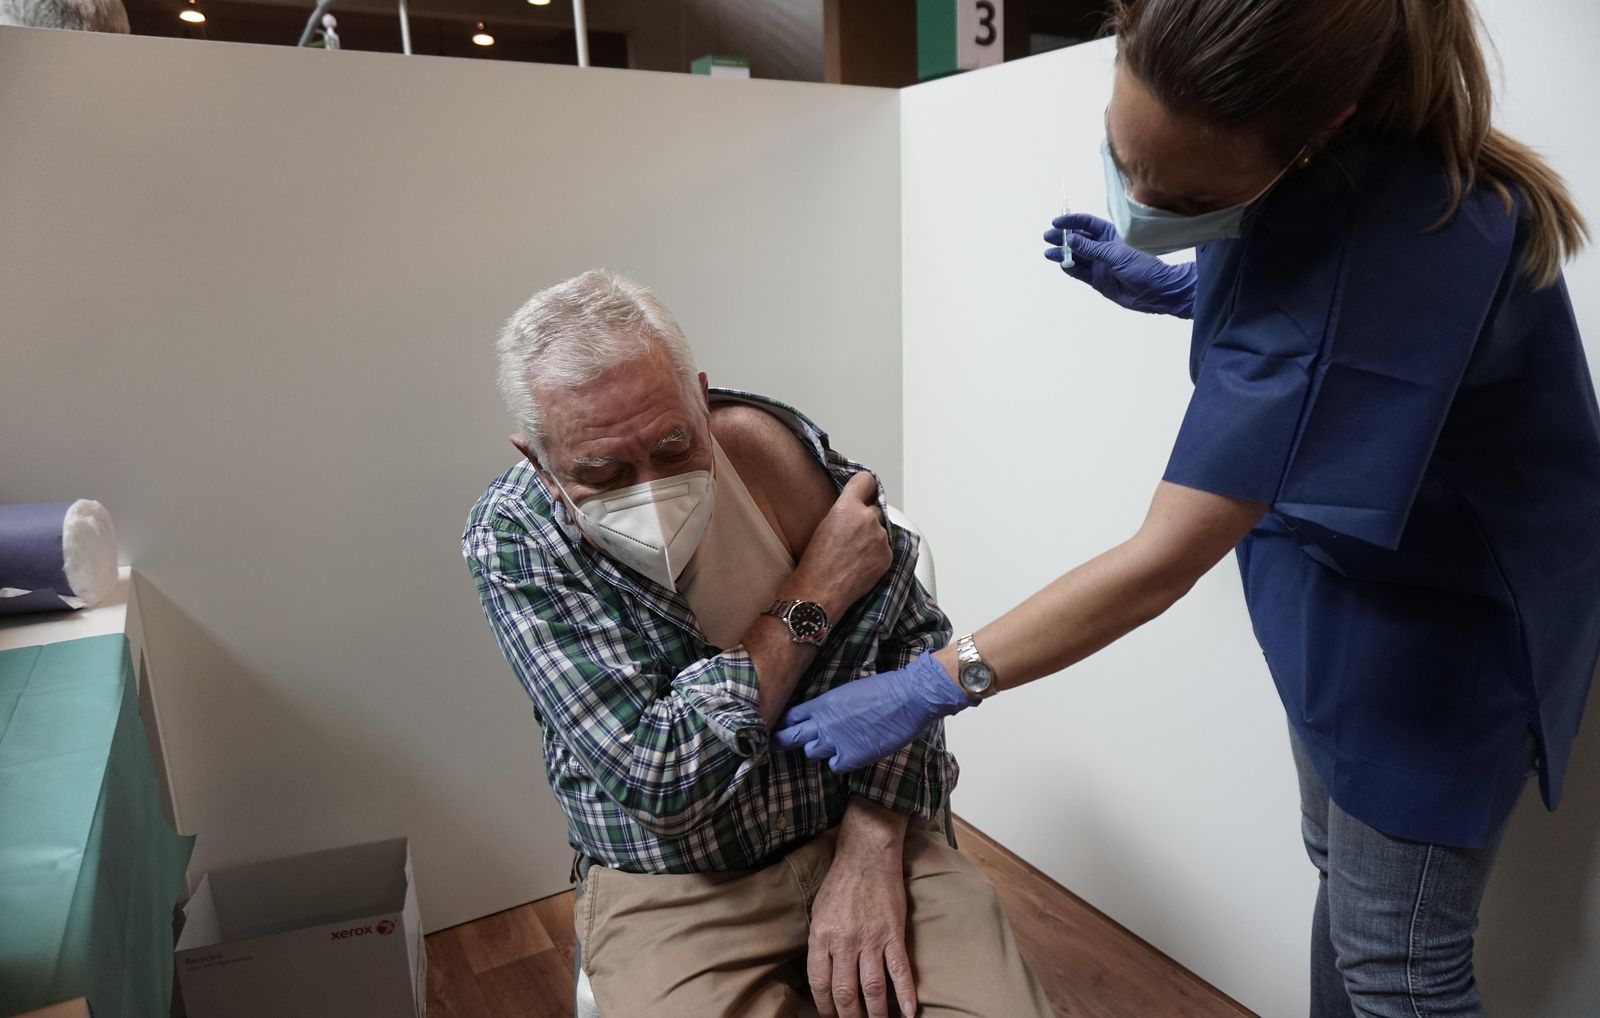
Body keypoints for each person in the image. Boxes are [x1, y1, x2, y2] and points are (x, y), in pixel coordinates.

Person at [774, 2, 1600, 1016]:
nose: (1144, 197)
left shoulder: (1406, 226)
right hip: (1335, 589)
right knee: (1341, 878)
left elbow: (1162, 559)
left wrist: (934, 683)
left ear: (1320, 130)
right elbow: (1309, 299)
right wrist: (1182, 286)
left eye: (1187, 193)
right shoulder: (1326, 168)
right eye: (1128, 162)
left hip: (1447, 636)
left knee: (1401, 962)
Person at [463, 270, 1055, 1018]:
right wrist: (813, 595)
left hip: (860, 828)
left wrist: (871, 846)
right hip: (675, 881)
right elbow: (666, 779)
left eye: (675, 444)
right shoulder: (515, 539)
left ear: (701, 394)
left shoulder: (767, 453)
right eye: (603, 472)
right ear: (535, 454)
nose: (650, 488)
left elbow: (912, 640)